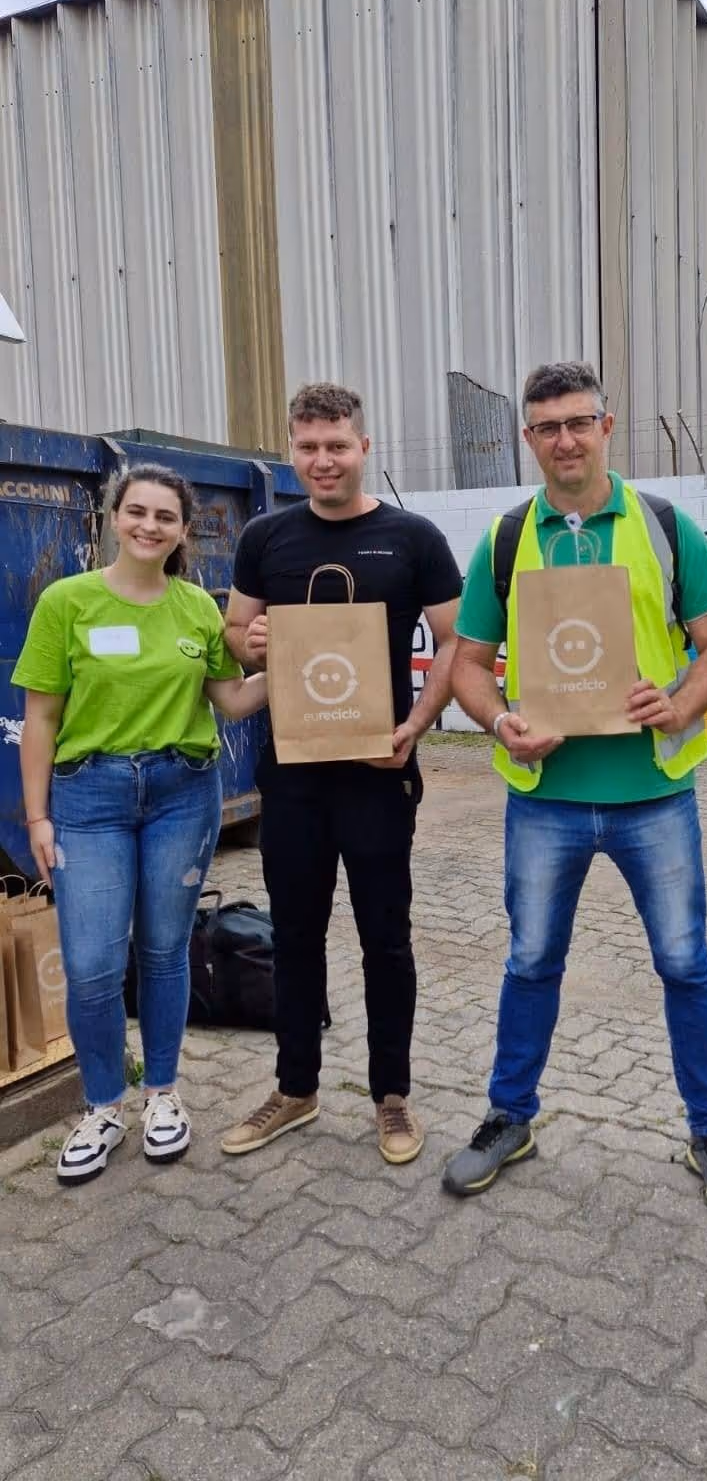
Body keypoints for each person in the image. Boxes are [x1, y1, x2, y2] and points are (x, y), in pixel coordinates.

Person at [442, 360, 707, 1215]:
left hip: (653, 794)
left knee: (686, 964)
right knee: (532, 960)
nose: (566, 440)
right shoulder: (506, 539)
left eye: (580, 422)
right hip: (544, 796)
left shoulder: (662, 527)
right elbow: (468, 664)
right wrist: (501, 718)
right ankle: (510, 1117)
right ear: (529, 439)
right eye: (548, 427)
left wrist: (680, 701)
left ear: (606, 427)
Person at [221, 382, 461, 1166]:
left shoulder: (413, 537)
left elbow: (458, 643)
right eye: (308, 446)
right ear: (292, 451)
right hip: (290, 775)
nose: (322, 460)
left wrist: (416, 726)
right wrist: (248, 645)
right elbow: (234, 630)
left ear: (364, 448)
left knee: (385, 938)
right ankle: (296, 1090)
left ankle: (391, 1096)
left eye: (337, 445)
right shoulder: (266, 536)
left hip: (377, 772)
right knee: (295, 935)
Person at [14, 463, 269, 1183]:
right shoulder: (68, 602)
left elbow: (231, 699)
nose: (150, 526)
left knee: (163, 952)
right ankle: (102, 1105)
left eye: (165, 516)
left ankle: (162, 1093)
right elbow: (40, 719)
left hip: (182, 792)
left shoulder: (196, 608)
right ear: (111, 518)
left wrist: (297, 665)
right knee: (93, 965)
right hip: (88, 799)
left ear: (184, 530)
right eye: (138, 512)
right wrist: (37, 815)